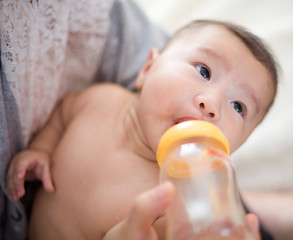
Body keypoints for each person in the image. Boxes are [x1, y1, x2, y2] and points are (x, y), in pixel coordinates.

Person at [6, 19, 277, 240]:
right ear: (147, 68)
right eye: (203, 71)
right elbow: (63, 115)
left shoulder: (176, 201)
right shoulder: (101, 99)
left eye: (239, 106)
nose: (212, 104)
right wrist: (42, 149)